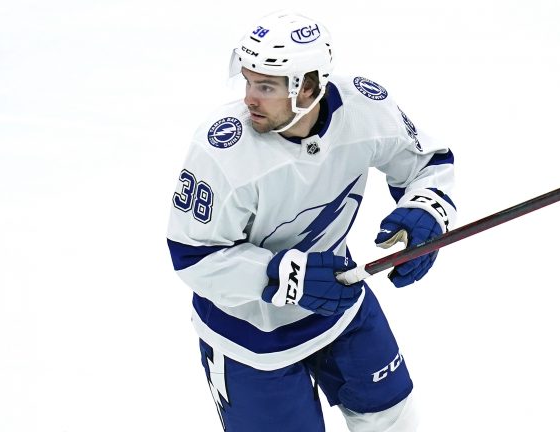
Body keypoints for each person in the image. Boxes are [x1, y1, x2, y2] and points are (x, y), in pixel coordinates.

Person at [167, 10, 456, 432]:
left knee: (394, 420)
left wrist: (427, 209)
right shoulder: (222, 151)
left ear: (308, 86)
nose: (250, 97)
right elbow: (193, 256)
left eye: (266, 86)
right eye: (247, 80)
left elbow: (426, 163)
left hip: (339, 303)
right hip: (249, 334)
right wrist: (282, 276)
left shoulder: (363, 108)